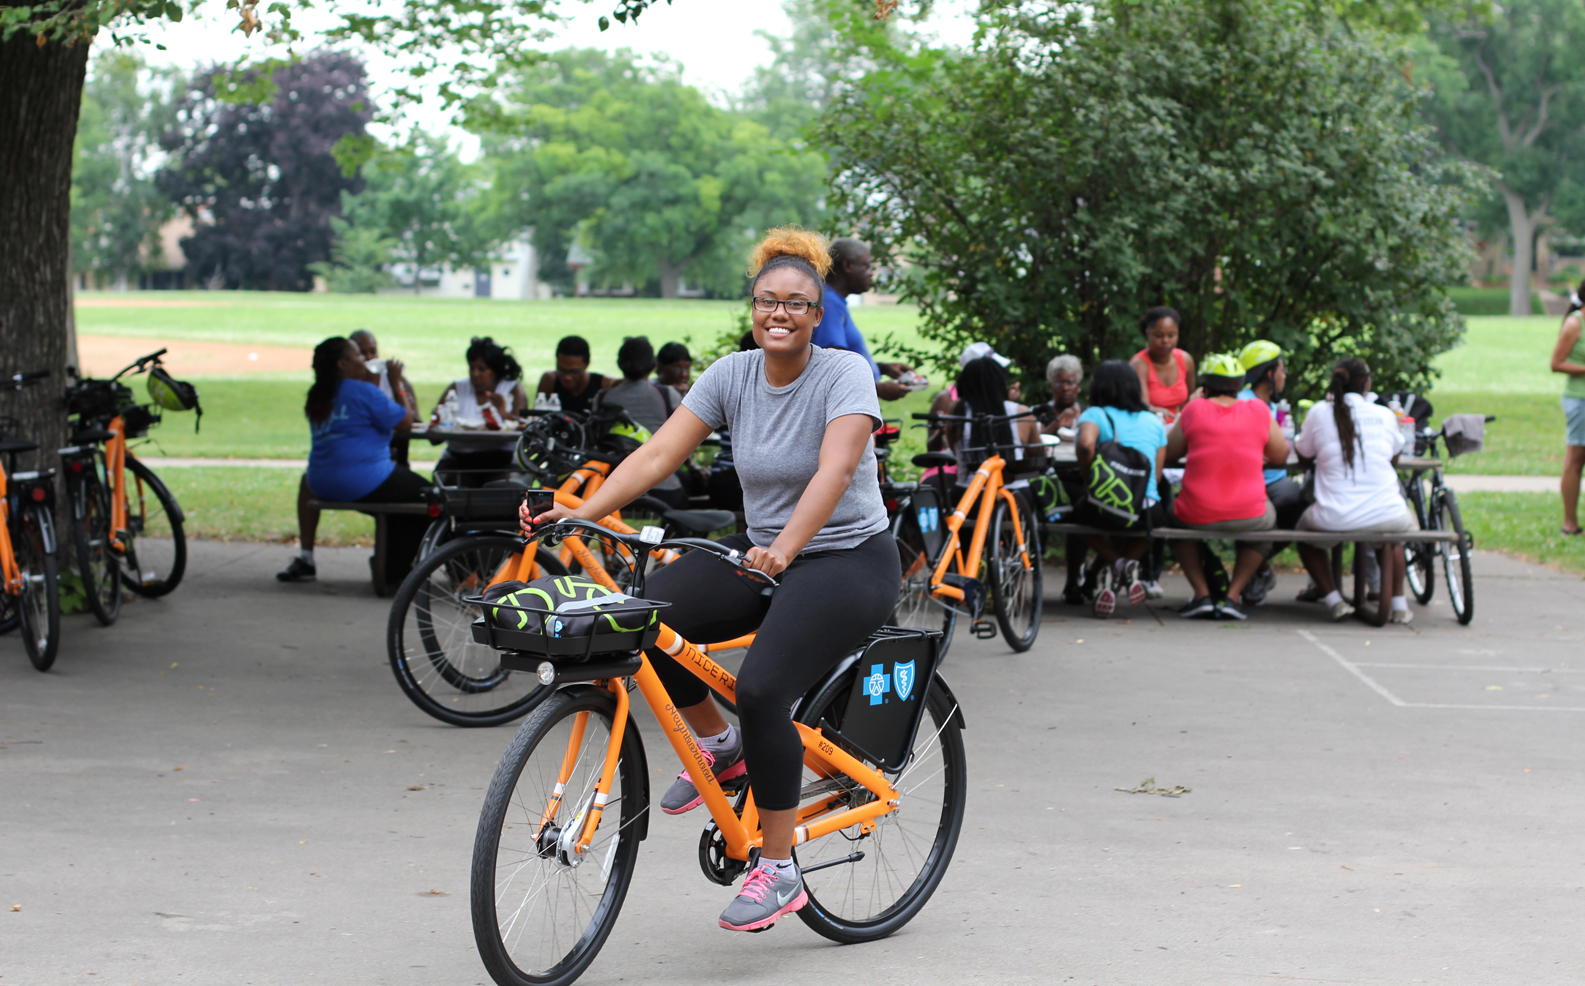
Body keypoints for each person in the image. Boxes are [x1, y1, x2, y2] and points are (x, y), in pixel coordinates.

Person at [522, 227, 898, 932]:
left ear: (818, 315)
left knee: (761, 687)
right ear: (751, 307)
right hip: (760, 550)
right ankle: (722, 748)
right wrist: (574, 513)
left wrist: (785, 548)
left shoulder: (843, 373)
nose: (779, 314)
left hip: (846, 558)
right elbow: (660, 453)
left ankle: (779, 869)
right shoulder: (731, 374)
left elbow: (836, 470)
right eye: (766, 302)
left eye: (796, 304)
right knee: (644, 620)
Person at [288, 337, 428, 586]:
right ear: (343, 364)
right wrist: (396, 383)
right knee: (429, 497)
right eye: (357, 356)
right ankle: (392, 572)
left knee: (402, 497)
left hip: (320, 481)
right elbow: (406, 422)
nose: (364, 359)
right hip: (365, 479)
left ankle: (312, 558)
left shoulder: (318, 394)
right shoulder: (363, 391)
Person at [1292, 358, 1418, 623]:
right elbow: (1395, 455)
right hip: (1387, 512)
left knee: (1304, 537)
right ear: (1367, 384)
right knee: (1395, 535)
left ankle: (1334, 600)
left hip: (1333, 515)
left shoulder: (1318, 412)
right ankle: (1398, 603)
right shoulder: (1383, 414)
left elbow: (1303, 453)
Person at [1165, 354, 1288, 620]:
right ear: (1238, 384)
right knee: (1270, 522)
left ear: (1205, 386)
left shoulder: (1193, 409)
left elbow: (1171, 453)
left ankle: (1202, 595)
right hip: (1250, 515)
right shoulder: (1258, 409)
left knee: (1172, 521)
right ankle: (1232, 597)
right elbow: (1280, 456)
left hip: (1195, 514)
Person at [1072, 360, 1169, 618]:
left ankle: (1116, 564)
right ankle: (1124, 569)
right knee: (1141, 528)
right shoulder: (1153, 421)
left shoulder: (1095, 415)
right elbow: (1157, 475)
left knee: (1077, 515)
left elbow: (1084, 445)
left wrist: (1088, 478)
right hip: (1147, 510)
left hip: (1104, 507)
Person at [1236, 339, 1304, 606]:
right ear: (1268, 374)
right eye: (1281, 370)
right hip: (1250, 485)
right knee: (1287, 502)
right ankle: (1255, 571)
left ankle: (1255, 569)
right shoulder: (1246, 404)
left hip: (1274, 480)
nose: (1284, 375)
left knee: (1302, 505)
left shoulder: (1269, 403)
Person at [815, 236, 915, 401]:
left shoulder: (835, 301)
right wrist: (879, 389)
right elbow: (833, 362)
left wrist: (882, 368)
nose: (871, 273)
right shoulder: (830, 303)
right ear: (848, 265)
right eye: (867, 266)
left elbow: (848, 359)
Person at [594, 336, 688, 508]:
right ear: (652, 363)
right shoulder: (667, 394)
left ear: (620, 363)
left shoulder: (603, 397)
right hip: (663, 486)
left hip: (614, 487)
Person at [433, 337, 529, 488]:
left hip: (501, 460)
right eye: (472, 368)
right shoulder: (457, 388)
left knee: (503, 488)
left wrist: (503, 414)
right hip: (459, 460)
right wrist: (438, 417)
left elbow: (523, 426)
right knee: (452, 485)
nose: (475, 374)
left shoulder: (511, 389)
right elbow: (435, 435)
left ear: (495, 370)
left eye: (482, 369)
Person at [942, 357, 1042, 493]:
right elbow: (1037, 453)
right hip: (1015, 491)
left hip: (969, 491)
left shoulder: (958, 410)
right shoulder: (1021, 412)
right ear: (1001, 383)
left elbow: (954, 448)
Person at [1551, 286, 1585, 535]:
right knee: (1576, 459)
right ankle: (1569, 523)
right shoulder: (1575, 324)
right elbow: (1556, 363)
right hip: (1579, 399)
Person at [1130, 306, 1197, 422]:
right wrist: (1159, 412)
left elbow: (1191, 399)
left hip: (1179, 427)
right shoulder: (1138, 364)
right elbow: (1142, 406)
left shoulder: (1185, 359)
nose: (1166, 341)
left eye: (1171, 335)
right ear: (1148, 334)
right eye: (1159, 336)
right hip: (1150, 426)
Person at [536, 335, 615, 413]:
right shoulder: (550, 381)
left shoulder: (604, 385)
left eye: (573, 372)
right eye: (561, 370)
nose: (567, 377)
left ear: (586, 364)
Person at [1042, 354, 1084, 432]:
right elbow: (1033, 441)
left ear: (1079, 386)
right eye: (1059, 383)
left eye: (1070, 383)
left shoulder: (1087, 414)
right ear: (1050, 386)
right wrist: (1057, 423)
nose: (1065, 388)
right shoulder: (1040, 412)